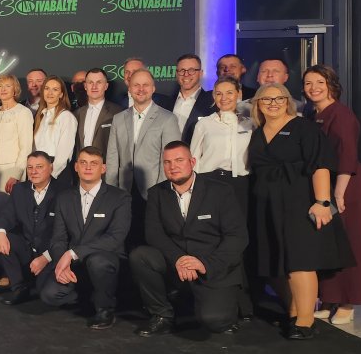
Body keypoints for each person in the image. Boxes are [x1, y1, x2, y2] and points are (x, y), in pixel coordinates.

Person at [248, 83, 351, 340]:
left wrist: (323, 202)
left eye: (279, 98)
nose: (273, 103)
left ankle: (305, 321)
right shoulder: (257, 133)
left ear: (288, 102)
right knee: (277, 262)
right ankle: (294, 312)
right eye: (266, 99)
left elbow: (320, 165)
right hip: (268, 206)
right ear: (258, 104)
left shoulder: (304, 128)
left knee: (300, 261)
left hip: (300, 203)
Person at [130, 142, 247, 336]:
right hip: (178, 262)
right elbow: (154, 234)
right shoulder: (157, 193)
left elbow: (237, 236)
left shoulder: (220, 191)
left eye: (179, 160)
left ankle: (217, 305)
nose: (173, 166)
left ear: (192, 162)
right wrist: (179, 258)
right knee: (140, 256)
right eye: (167, 162)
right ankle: (162, 315)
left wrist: (205, 264)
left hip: (213, 266)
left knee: (215, 321)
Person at [303, 65, 361, 324]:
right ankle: (329, 298)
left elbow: (348, 155)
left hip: (345, 186)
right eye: (308, 83)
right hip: (324, 186)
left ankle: (348, 302)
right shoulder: (312, 114)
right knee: (328, 244)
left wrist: (338, 193)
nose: (314, 88)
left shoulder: (341, 114)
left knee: (349, 244)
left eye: (320, 82)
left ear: (331, 85)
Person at [45, 146, 131, 329]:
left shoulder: (119, 197)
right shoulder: (64, 198)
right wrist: (61, 262)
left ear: (103, 168)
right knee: (49, 295)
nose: (88, 167)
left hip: (106, 260)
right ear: (76, 167)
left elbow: (115, 238)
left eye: (94, 163)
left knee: (97, 261)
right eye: (83, 163)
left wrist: (72, 253)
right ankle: (90, 295)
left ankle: (105, 309)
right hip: (76, 264)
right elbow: (58, 238)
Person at [106, 69, 180, 245]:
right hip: (124, 189)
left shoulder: (168, 118)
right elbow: (112, 157)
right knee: (124, 239)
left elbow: (171, 160)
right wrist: (110, 190)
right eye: (136, 85)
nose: (141, 89)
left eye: (145, 85)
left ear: (153, 88)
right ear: (129, 89)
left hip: (153, 190)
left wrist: (162, 192)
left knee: (150, 239)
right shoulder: (118, 118)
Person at [0, 151, 63, 306]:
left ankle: (38, 282)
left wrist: (46, 257)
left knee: (45, 293)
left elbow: (67, 235)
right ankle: (19, 288)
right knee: (3, 239)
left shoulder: (64, 192)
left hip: (51, 254)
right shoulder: (19, 189)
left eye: (39, 167)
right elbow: (5, 215)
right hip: (27, 249)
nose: (34, 171)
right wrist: (0, 233)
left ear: (51, 168)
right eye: (30, 167)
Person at [189, 76, 252, 218]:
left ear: (238, 94)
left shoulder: (250, 124)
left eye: (229, 93)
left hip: (240, 183)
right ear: (214, 96)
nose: (224, 98)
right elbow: (194, 157)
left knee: (238, 224)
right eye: (219, 93)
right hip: (209, 181)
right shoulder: (204, 124)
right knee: (209, 224)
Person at [0, 74, 34, 194]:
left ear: (15, 89)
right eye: (0, 86)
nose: (3, 89)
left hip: (11, 169)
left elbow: (26, 147)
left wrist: (16, 174)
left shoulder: (23, 112)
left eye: (8, 86)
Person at [33, 76, 78, 180]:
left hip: (56, 172)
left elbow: (64, 153)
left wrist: (51, 174)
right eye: (47, 88)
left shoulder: (66, 116)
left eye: (55, 89)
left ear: (61, 94)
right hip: (37, 169)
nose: (50, 93)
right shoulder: (40, 116)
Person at [73, 68, 122, 160]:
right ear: (85, 86)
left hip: (106, 166)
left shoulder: (118, 112)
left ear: (106, 86)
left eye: (99, 82)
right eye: (90, 82)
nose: (94, 86)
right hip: (81, 166)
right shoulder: (76, 114)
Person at [168, 54, 214, 144]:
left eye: (191, 70)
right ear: (176, 74)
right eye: (182, 70)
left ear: (200, 73)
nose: (186, 74)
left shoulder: (212, 103)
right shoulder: (165, 103)